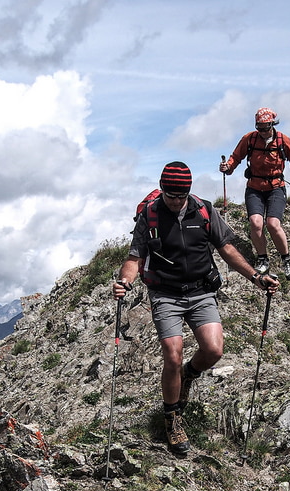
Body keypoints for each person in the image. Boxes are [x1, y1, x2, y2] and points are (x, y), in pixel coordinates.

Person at [113, 161, 279, 456]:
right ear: (162, 189)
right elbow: (135, 257)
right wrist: (124, 281)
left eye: (181, 195)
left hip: (201, 291)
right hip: (165, 293)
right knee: (172, 354)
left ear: (189, 191)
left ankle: (189, 375)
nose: (176, 201)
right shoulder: (149, 215)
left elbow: (226, 248)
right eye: (170, 195)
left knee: (214, 351)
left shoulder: (203, 210)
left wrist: (255, 276)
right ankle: (172, 417)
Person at [220, 108, 290, 279]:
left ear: (272, 124)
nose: (263, 132)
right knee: (255, 222)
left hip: (276, 187)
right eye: (260, 128)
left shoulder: (283, 140)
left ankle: (286, 259)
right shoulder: (249, 139)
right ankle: (262, 258)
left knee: (273, 224)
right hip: (254, 187)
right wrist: (228, 167)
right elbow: (236, 157)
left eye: (266, 128)